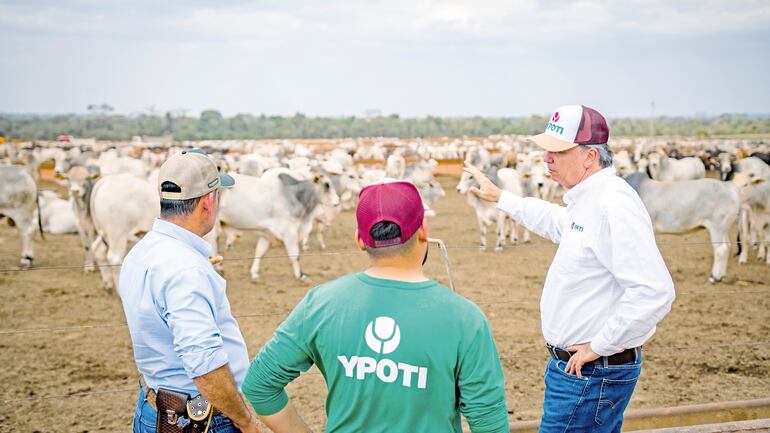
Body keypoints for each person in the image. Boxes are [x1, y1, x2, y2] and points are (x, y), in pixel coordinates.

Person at [465, 105, 676, 433]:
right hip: (581, 371)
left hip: (591, 373)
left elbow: (654, 291)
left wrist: (600, 345)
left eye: (558, 151)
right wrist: (502, 198)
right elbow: (557, 222)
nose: (547, 158)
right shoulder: (590, 200)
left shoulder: (613, 205)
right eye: (546, 150)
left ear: (590, 156)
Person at [241, 179, 510, 433]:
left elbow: (259, 385)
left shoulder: (321, 304)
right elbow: (488, 421)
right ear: (423, 232)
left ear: (359, 240)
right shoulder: (464, 318)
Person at [119, 149, 260, 433]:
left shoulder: (142, 252)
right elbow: (205, 365)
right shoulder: (185, 270)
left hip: (154, 404)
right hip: (200, 419)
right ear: (209, 201)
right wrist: (246, 422)